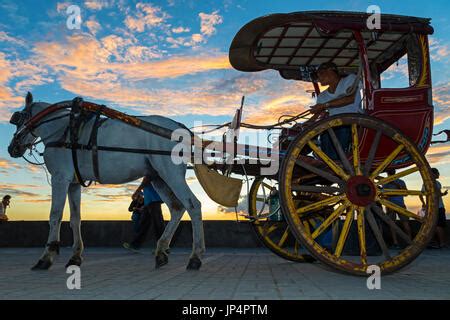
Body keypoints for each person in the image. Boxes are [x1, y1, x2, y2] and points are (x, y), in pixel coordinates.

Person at [309, 62, 363, 159]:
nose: (318, 78)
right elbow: (316, 116)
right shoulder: (322, 96)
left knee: (340, 130)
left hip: (353, 123)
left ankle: (336, 163)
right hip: (333, 126)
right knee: (324, 133)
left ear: (330, 70)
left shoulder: (350, 79)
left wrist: (325, 105)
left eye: (320, 74)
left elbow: (350, 99)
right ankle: (328, 163)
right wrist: (305, 124)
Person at [123, 176, 165, 252]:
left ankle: (163, 247)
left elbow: (148, 179)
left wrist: (137, 190)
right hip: (148, 201)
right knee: (144, 225)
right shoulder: (147, 170)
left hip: (154, 200)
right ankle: (135, 245)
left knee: (158, 224)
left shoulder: (150, 170)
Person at [383, 169, 412, 248]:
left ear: (387, 172)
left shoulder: (385, 182)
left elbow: (384, 195)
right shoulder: (401, 181)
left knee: (393, 224)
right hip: (399, 204)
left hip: (391, 205)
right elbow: (406, 193)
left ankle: (396, 243)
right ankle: (409, 241)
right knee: (405, 223)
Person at [420, 168, 448, 249]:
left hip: (430, 208)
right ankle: (442, 243)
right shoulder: (437, 183)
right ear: (434, 174)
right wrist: (442, 194)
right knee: (440, 225)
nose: (439, 174)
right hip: (438, 207)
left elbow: (420, 194)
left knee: (434, 225)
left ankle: (435, 242)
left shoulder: (425, 183)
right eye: (437, 173)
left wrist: (424, 203)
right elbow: (437, 195)